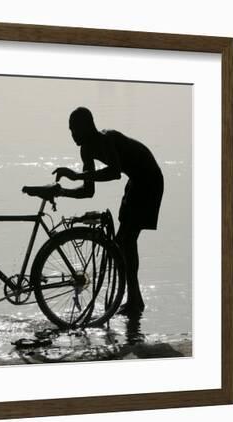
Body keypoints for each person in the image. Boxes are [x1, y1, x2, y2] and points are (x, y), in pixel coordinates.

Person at [52, 107, 164, 316]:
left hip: (149, 180)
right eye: (70, 131)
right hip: (135, 181)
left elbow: (114, 172)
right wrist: (62, 192)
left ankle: (134, 301)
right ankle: (135, 300)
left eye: (75, 130)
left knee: (125, 241)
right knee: (125, 243)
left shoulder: (107, 138)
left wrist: (76, 175)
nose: (73, 135)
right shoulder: (86, 149)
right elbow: (88, 191)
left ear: (87, 126)